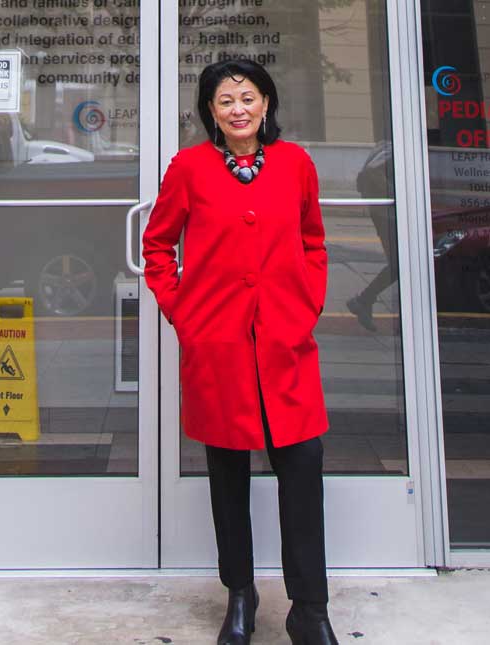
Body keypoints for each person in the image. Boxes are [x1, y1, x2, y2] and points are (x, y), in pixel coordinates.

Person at [142, 60, 338, 645]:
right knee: (228, 477)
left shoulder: (295, 163)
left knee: (301, 470)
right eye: (224, 100)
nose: (237, 109)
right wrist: (185, 313)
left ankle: (310, 607)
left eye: (247, 97)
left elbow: (313, 241)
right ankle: (241, 594)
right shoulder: (190, 168)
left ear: (266, 104)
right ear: (209, 112)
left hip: (286, 341)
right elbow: (157, 245)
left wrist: (307, 305)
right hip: (219, 345)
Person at [346, 141, 396, 331]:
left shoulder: (385, 145)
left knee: (400, 263)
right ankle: (364, 300)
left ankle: (365, 300)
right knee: (400, 263)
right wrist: (396, 196)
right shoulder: (393, 145)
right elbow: (372, 172)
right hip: (387, 213)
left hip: (384, 212)